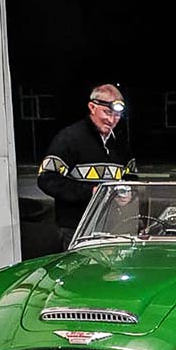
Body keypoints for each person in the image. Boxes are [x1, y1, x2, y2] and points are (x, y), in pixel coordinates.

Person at [37, 83, 131, 249]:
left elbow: (131, 177)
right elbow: (47, 179)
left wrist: (130, 194)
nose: (111, 120)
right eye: (107, 112)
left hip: (111, 229)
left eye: (117, 115)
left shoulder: (120, 143)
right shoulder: (69, 138)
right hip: (76, 229)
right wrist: (91, 192)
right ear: (92, 107)